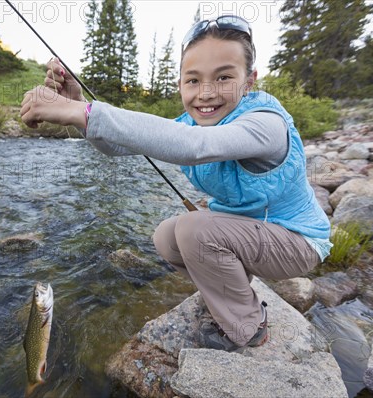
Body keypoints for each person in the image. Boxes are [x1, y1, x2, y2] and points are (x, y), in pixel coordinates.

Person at [20, 15, 332, 352]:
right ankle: (235, 294)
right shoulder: (190, 123)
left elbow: (195, 146)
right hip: (254, 235)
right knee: (167, 238)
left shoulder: (265, 124)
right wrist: (79, 105)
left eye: (224, 77)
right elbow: (117, 146)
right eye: (193, 80)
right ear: (181, 84)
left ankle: (248, 327)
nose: (207, 93)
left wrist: (80, 112)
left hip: (298, 243)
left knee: (194, 230)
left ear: (250, 80)